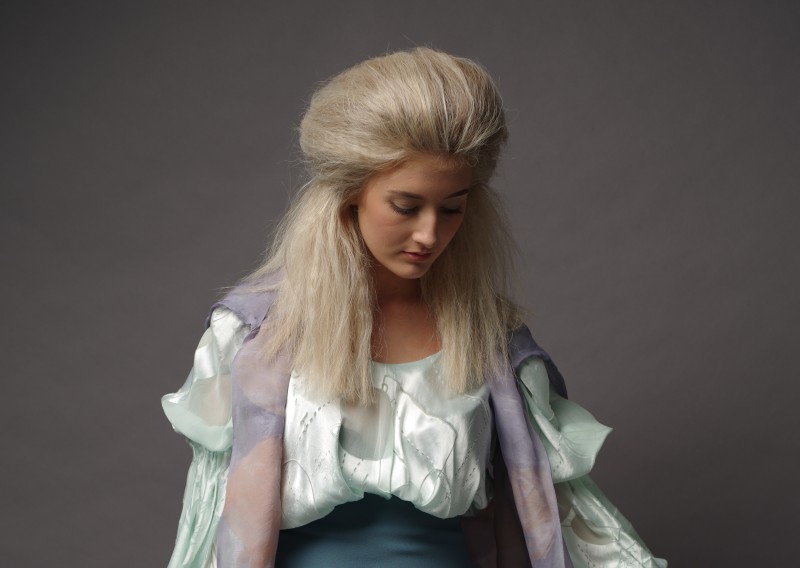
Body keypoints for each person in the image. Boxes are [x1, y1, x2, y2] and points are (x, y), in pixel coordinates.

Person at [162, 47, 666, 568]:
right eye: (406, 206)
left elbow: (564, 513)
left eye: (452, 208)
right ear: (349, 194)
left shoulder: (494, 342)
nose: (429, 234)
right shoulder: (253, 335)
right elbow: (209, 518)